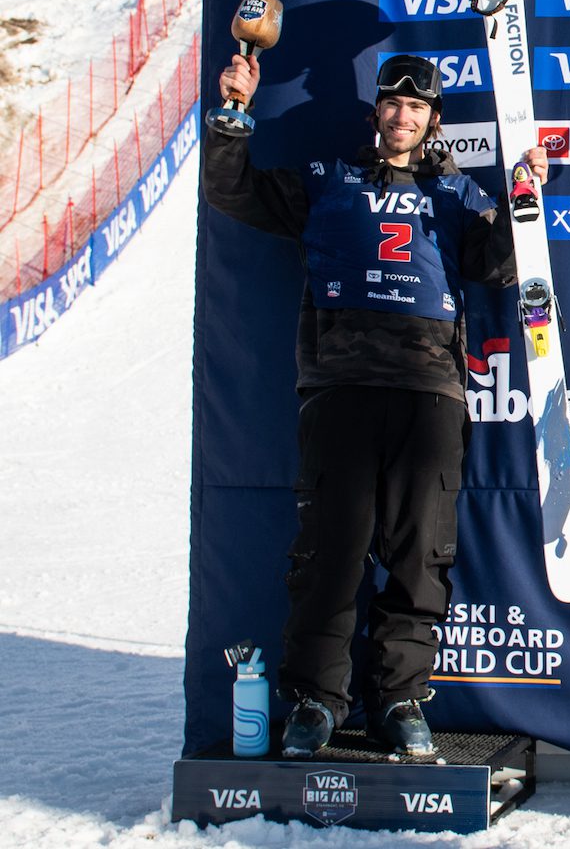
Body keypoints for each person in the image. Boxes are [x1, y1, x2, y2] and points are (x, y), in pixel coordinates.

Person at [204, 51, 545, 758]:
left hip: (430, 393)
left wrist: (525, 200)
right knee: (331, 553)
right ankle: (315, 703)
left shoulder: (457, 195)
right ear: (376, 113)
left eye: (416, 107)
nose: (402, 115)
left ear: (433, 120)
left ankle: (398, 698)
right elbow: (231, 193)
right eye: (392, 103)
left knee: (421, 556)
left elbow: (503, 266)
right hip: (341, 387)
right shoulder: (328, 181)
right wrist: (235, 114)